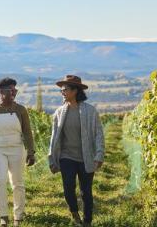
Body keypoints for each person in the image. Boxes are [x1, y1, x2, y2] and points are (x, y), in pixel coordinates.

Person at [47, 75, 105, 227]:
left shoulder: (90, 111)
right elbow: (54, 137)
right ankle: (74, 213)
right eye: (61, 90)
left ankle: (87, 221)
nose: (62, 92)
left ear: (75, 91)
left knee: (86, 192)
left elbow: (99, 134)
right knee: (68, 188)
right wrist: (51, 158)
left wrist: (99, 154)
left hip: (87, 157)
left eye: (65, 89)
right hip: (67, 157)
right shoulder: (59, 112)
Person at [0, 77, 36, 227]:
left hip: (17, 149)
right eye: (11, 90)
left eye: (15, 90)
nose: (14, 93)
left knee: (17, 183)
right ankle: (3, 216)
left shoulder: (20, 110)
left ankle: (18, 216)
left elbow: (27, 132)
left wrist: (31, 152)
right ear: (0, 92)